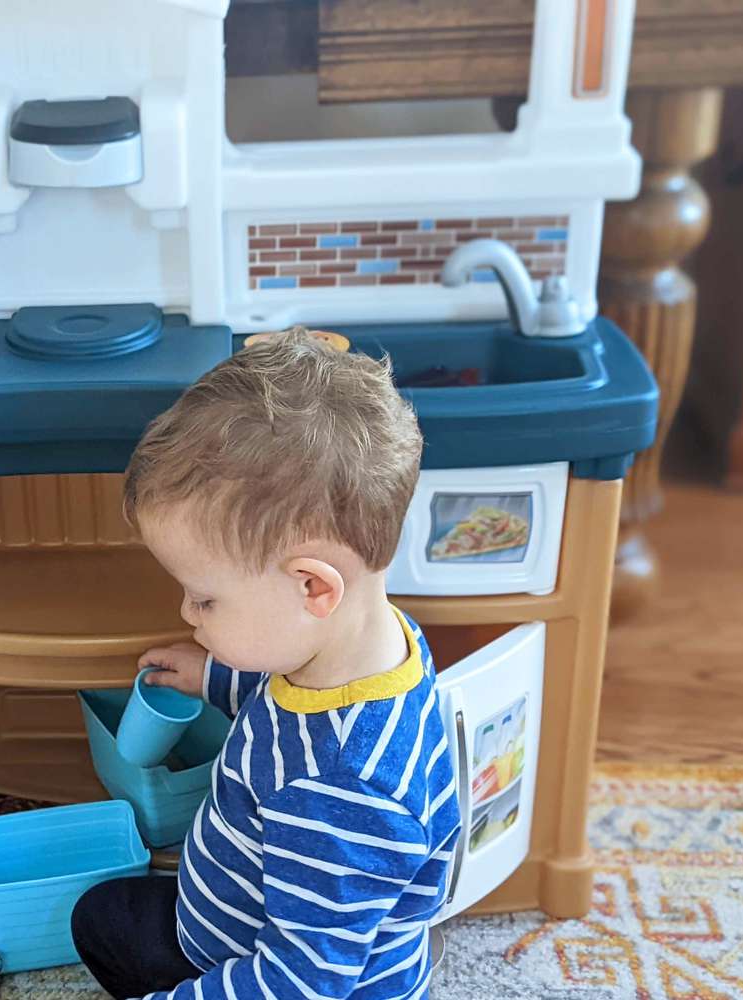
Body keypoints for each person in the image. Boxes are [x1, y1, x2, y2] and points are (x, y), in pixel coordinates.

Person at [71, 330, 460, 1000]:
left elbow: (299, 984)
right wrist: (214, 675)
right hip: (226, 925)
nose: (189, 613)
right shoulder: (368, 641)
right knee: (100, 919)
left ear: (312, 587)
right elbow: (284, 681)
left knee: (109, 934)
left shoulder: (340, 794)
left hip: (282, 981)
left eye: (205, 597)